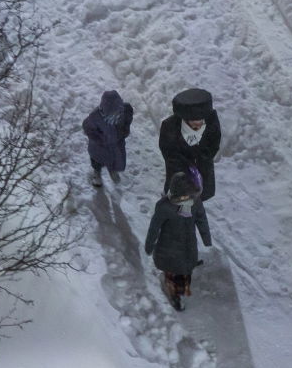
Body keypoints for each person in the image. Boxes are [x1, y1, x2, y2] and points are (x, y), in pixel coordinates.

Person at [144, 172, 211, 311]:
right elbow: (154, 227)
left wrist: (206, 238)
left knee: (186, 271)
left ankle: (176, 284)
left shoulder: (195, 203)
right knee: (175, 274)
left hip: (188, 245)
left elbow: (201, 220)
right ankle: (172, 292)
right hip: (168, 250)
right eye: (192, 194)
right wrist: (149, 245)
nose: (195, 197)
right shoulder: (165, 207)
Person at [158, 87, 220, 201]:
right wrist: (187, 169)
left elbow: (214, 143)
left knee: (199, 200)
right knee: (179, 201)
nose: (198, 125)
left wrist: (203, 158)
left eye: (201, 120)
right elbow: (169, 154)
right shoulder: (169, 127)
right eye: (194, 121)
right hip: (180, 176)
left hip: (203, 172)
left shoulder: (211, 122)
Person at [82, 90, 133, 187]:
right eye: (112, 112)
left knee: (114, 158)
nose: (115, 114)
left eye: (117, 111)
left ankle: (112, 170)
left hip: (116, 143)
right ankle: (97, 174)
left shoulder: (126, 110)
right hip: (99, 146)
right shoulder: (95, 116)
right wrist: (100, 139)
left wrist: (125, 131)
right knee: (97, 160)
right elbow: (87, 128)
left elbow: (128, 120)